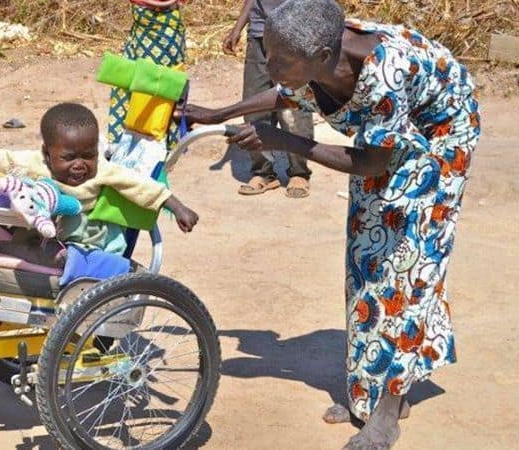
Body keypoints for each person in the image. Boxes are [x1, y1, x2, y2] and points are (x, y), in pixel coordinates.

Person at [182, 0, 479, 448]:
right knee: (366, 260)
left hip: (441, 139)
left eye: (279, 58)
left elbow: (371, 161)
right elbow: (288, 91)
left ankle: (388, 408)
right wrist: (218, 114)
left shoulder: (384, 72)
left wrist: (286, 139)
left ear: (322, 56)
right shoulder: (320, 55)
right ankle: (368, 391)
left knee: (407, 269)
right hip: (390, 135)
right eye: (268, 51)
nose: (269, 63)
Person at [0, 102, 199, 254]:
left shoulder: (103, 170)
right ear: (47, 154)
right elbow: (1, 158)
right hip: (41, 227)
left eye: (88, 156)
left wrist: (178, 208)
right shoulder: (37, 161)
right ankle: (11, 248)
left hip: (84, 237)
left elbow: (140, 186)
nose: (79, 164)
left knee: (74, 230)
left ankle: (41, 254)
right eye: (69, 158)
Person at [222, 0, 313, 197]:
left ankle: (299, 173)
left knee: (294, 109)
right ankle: (263, 173)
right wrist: (238, 28)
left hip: (294, 37)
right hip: (259, 36)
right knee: (255, 107)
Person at [107, 0, 187, 151]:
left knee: (162, 82)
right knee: (132, 78)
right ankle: (125, 140)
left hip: (165, 23)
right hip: (145, 20)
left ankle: (157, 142)